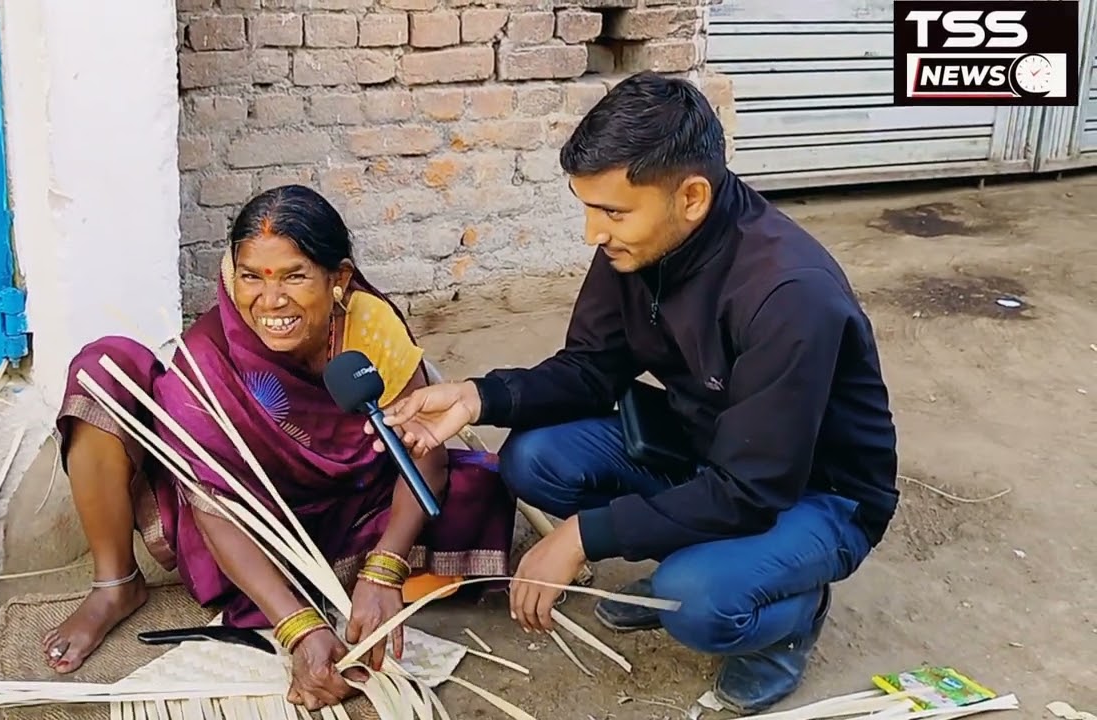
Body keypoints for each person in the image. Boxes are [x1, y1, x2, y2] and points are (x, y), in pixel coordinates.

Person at [366, 72, 900, 714]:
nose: (594, 231)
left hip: (813, 493)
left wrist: (581, 537)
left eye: (612, 211)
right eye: (588, 207)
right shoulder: (640, 242)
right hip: (706, 444)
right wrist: (478, 397)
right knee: (532, 458)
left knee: (693, 602)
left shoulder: (788, 294)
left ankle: (788, 621)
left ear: (692, 197)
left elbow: (753, 490)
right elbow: (591, 370)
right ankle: (703, 551)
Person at [43, 185, 515, 711]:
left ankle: (362, 572)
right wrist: (299, 629)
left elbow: (421, 449)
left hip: (350, 502)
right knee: (101, 368)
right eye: (252, 277)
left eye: (294, 276)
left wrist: (386, 567)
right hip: (243, 522)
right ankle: (115, 584)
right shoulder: (206, 360)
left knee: (483, 484)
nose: (270, 302)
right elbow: (217, 509)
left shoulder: (369, 325)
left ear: (337, 279)